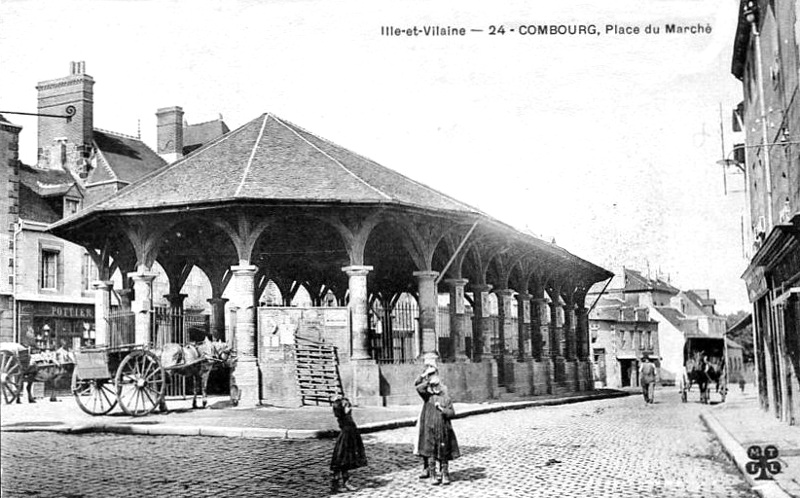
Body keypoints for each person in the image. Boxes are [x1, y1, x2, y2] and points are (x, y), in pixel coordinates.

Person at [416, 374, 460, 485]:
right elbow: (419, 388)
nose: (435, 387)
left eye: (437, 385)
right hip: (430, 430)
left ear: (440, 386)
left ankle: (445, 473)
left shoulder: (446, 399)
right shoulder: (428, 397)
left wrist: (442, 409)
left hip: (443, 430)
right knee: (431, 453)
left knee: (443, 454)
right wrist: (428, 380)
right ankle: (433, 475)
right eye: (433, 385)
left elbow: (452, 413)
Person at [330, 396, 367, 493]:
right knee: (341, 463)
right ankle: (337, 484)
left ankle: (344, 483)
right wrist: (337, 403)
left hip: (350, 440)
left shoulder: (348, 416)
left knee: (345, 463)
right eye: (346, 406)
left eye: (349, 405)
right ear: (341, 409)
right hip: (345, 441)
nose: (349, 408)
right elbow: (339, 410)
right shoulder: (342, 418)